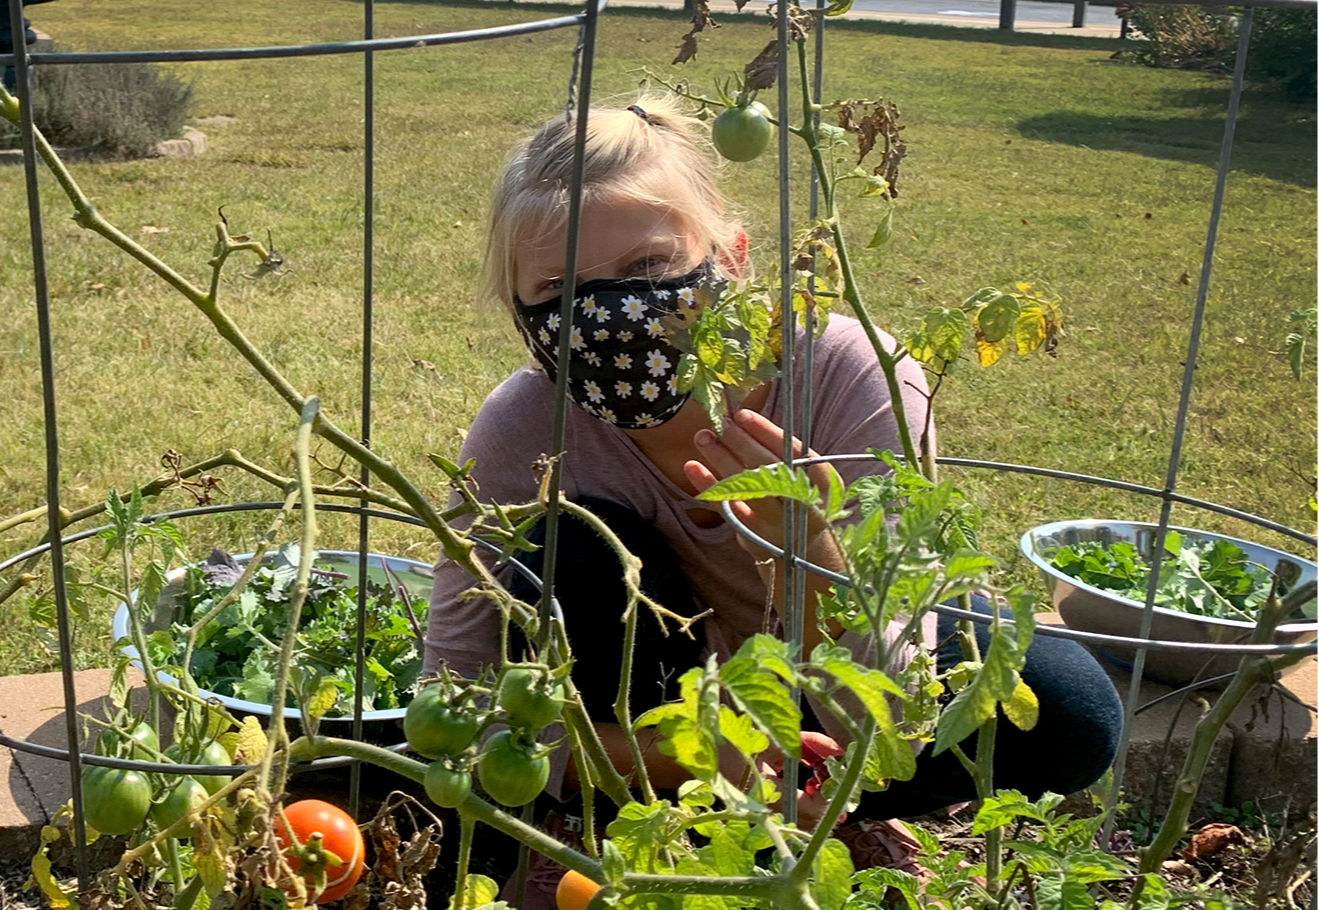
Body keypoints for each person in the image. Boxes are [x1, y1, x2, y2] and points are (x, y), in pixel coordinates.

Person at [421, 96, 1122, 903]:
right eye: (559, 287)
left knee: (1066, 708)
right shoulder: (525, 427)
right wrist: (692, 751)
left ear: (733, 259)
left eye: (647, 271)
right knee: (569, 548)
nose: (608, 315)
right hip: (652, 710)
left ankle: (823, 808)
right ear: (518, 306)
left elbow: (889, 709)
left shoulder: (851, 375)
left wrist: (808, 555)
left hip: (829, 691)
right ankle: (654, 809)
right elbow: (463, 698)